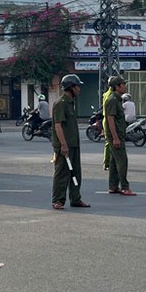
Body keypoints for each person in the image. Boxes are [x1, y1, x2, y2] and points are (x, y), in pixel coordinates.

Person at [51, 74, 89, 210]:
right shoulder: (61, 103)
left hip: (74, 144)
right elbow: (58, 125)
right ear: (71, 87)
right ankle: (58, 200)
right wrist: (63, 144)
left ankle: (76, 198)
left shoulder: (71, 102)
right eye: (77, 86)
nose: (79, 89)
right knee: (62, 173)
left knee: (76, 173)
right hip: (64, 145)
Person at [104, 76, 136, 196]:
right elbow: (110, 119)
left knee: (113, 161)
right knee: (122, 160)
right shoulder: (112, 100)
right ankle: (125, 186)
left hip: (118, 133)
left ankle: (113, 186)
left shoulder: (117, 99)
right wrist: (115, 137)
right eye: (123, 84)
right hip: (115, 134)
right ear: (117, 86)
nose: (125, 86)